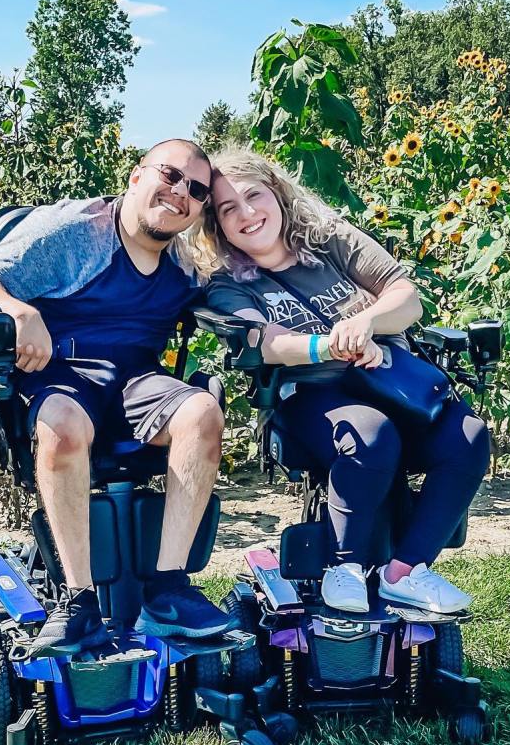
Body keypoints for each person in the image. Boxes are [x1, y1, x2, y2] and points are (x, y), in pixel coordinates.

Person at [0, 139, 233, 654]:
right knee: (62, 424)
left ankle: (168, 591)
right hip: (62, 375)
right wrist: (18, 311)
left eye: (196, 190)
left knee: (202, 411)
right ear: (136, 176)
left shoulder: (190, 259)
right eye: (170, 176)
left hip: (138, 381)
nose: (180, 194)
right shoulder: (76, 234)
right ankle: (78, 602)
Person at [192, 147, 490, 615]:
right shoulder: (228, 282)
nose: (246, 214)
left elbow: (406, 298)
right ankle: (343, 567)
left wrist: (367, 323)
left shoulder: (329, 238)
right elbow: (264, 342)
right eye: (229, 208)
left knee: (468, 435)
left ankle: (405, 572)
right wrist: (333, 345)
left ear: (278, 193)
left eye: (254, 196)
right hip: (309, 394)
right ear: (218, 225)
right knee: (369, 434)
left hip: (384, 378)